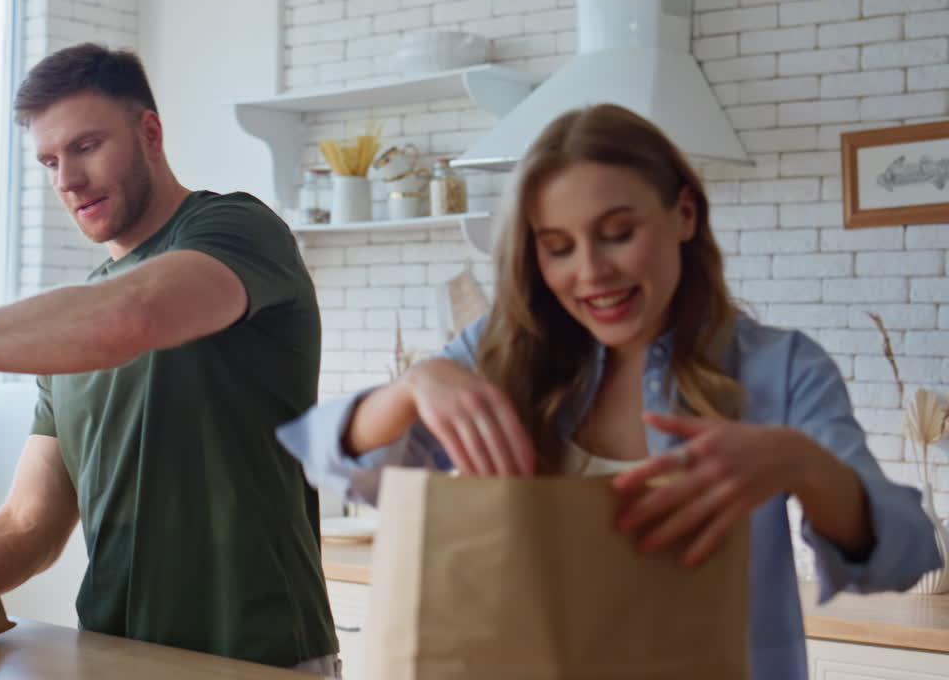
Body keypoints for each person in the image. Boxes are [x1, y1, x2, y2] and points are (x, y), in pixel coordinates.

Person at [276, 103, 941, 679]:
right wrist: (412, 387)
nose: (591, 272)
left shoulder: (782, 369)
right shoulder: (499, 352)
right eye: (558, 246)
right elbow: (328, 460)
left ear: (684, 212)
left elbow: (906, 555)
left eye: (619, 234)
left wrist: (801, 461)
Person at [0, 43, 339, 676]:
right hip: (114, 658)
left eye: (86, 147)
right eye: (50, 160)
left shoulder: (239, 231)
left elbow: (134, 315)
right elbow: (27, 526)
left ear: (149, 133)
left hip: (261, 659)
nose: (67, 179)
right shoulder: (71, 328)